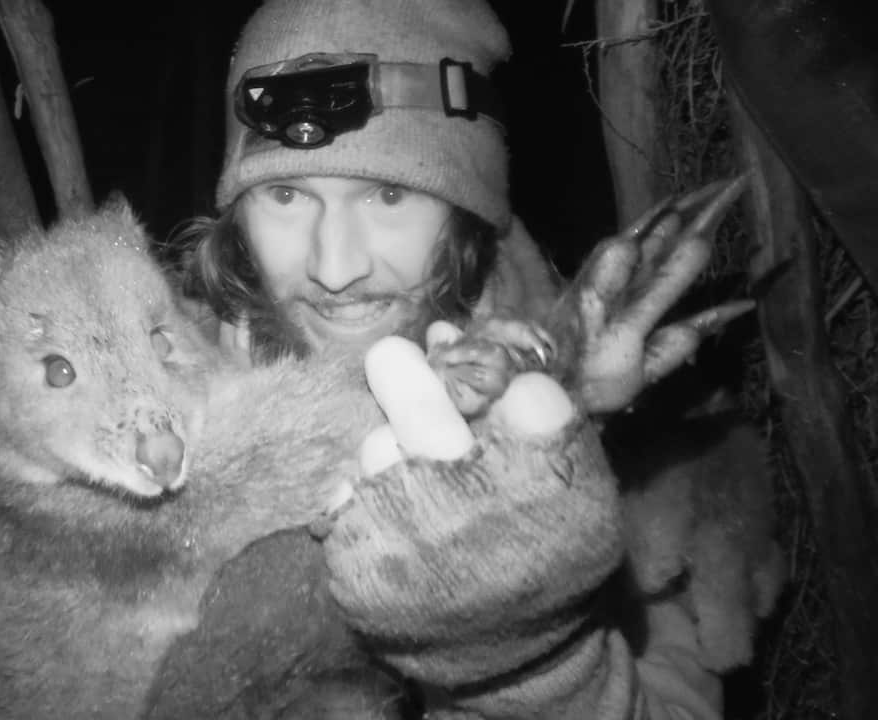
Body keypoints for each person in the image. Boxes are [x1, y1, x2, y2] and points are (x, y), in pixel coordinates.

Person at [173, 0, 768, 717]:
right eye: (286, 193)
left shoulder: (627, 433)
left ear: (464, 208)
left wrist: (527, 660)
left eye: (389, 194)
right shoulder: (160, 401)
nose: (335, 267)